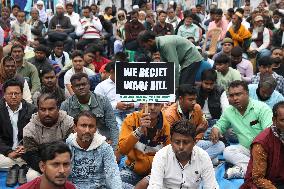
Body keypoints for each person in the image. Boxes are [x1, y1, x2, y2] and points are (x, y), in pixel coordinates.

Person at [210, 80, 273, 179]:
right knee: (228, 151)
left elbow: (270, 133)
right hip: (247, 149)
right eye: (231, 95)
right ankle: (254, 169)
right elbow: (220, 125)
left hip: (265, 150)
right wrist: (216, 129)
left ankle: (244, 170)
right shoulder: (229, 111)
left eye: (238, 94)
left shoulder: (262, 109)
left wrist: (259, 151)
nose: (235, 98)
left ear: (247, 94)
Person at [148, 120, 219, 188]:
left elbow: (211, 186)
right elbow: (155, 186)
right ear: (171, 141)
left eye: (186, 142)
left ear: (194, 142)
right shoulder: (161, 156)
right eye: (177, 142)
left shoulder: (203, 157)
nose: (181, 147)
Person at [163, 84, 225, 162]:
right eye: (190, 100)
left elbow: (201, 131)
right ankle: (198, 161)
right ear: (181, 99)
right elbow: (174, 141)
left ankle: (194, 161)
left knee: (220, 145)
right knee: (214, 160)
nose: (194, 102)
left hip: (194, 142)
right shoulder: (170, 114)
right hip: (179, 147)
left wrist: (200, 134)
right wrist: (197, 131)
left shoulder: (197, 108)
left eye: (195, 99)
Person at [60, 72, 118, 149]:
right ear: (72, 88)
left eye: (84, 84)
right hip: (76, 144)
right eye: (77, 85)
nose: (81, 87)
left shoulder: (103, 101)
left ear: (89, 85)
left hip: (103, 142)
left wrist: (114, 146)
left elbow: (112, 124)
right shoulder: (66, 105)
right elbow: (62, 130)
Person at [118, 103, 171, 187]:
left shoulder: (166, 125)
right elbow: (122, 150)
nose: (152, 108)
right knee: (117, 185)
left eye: (156, 104)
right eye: (149, 104)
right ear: (143, 105)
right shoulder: (131, 119)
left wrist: (149, 178)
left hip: (156, 173)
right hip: (132, 171)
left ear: (162, 106)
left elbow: (169, 158)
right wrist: (139, 131)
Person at [66, 111, 122, 188]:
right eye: (83, 126)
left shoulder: (104, 147)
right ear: (75, 128)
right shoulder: (68, 145)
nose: (87, 130)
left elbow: (112, 173)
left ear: (95, 129)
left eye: (91, 126)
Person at [22, 93, 74, 174]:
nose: (47, 113)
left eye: (51, 109)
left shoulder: (69, 123)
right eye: (42, 109)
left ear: (58, 108)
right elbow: (31, 155)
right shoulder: (29, 129)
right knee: (31, 176)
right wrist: (48, 169)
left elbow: (71, 148)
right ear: (38, 110)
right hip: (43, 164)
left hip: (66, 161)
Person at [0, 79, 37, 186]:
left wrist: (24, 146)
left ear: (21, 94)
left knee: (36, 155)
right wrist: (9, 152)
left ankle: (16, 167)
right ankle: (21, 167)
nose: (13, 96)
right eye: (10, 93)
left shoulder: (32, 110)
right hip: (5, 153)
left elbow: (35, 133)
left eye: (16, 93)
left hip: (25, 151)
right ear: (4, 95)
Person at [241, 101, 284, 189]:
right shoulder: (262, 143)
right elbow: (258, 178)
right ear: (274, 120)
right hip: (268, 183)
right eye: (283, 120)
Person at [138, 31, 203, 87]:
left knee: (184, 86)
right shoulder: (159, 44)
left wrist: (175, 87)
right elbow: (166, 65)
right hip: (185, 59)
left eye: (145, 46)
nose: (145, 48)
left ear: (150, 41)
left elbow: (174, 66)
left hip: (192, 58)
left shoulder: (165, 44)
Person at [95, 61, 138, 129]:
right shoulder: (101, 86)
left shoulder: (132, 83)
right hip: (112, 114)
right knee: (120, 129)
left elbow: (141, 99)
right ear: (112, 71)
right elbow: (98, 105)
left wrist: (133, 104)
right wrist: (116, 105)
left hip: (131, 112)